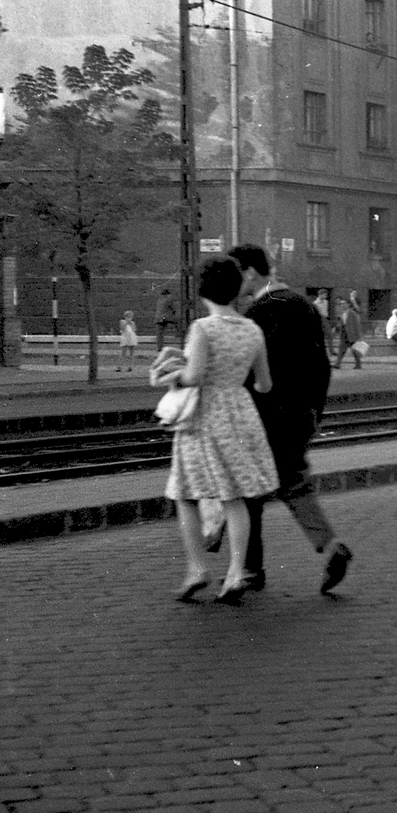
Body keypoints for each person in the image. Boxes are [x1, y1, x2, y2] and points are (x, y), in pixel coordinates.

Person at [227, 244, 353, 596]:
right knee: (293, 483)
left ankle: (251, 570)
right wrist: (314, 414)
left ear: (250, 272)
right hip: (302, 415)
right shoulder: (305, 306)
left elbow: (254, 374)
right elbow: (321, 367)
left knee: (248, 490)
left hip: (269, 417)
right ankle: (329, 547)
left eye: (236, 275)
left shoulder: (262, 313)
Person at [155, 257, 278, 605]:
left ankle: (197, 569)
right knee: (235, 496)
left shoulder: (203, 329)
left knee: (185, 493)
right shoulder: (252, 329)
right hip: (240, 415)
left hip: (204, 416)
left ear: (203, 290)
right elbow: (265, 384)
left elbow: (193, 376)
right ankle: (237, 573)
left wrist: (172, 375)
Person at [332, 297, 364, 370]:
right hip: (344, 334)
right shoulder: (343, 313)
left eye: (344, 303)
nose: (342, 305)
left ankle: (358, 364)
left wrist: (359, 336)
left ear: (348, 304)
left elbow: (357, 325)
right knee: (341, 349)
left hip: (351, 335)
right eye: (341, 304)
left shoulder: (352, 313)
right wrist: (337, 329)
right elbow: (341, 323)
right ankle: (337, 364)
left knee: (354, 350)